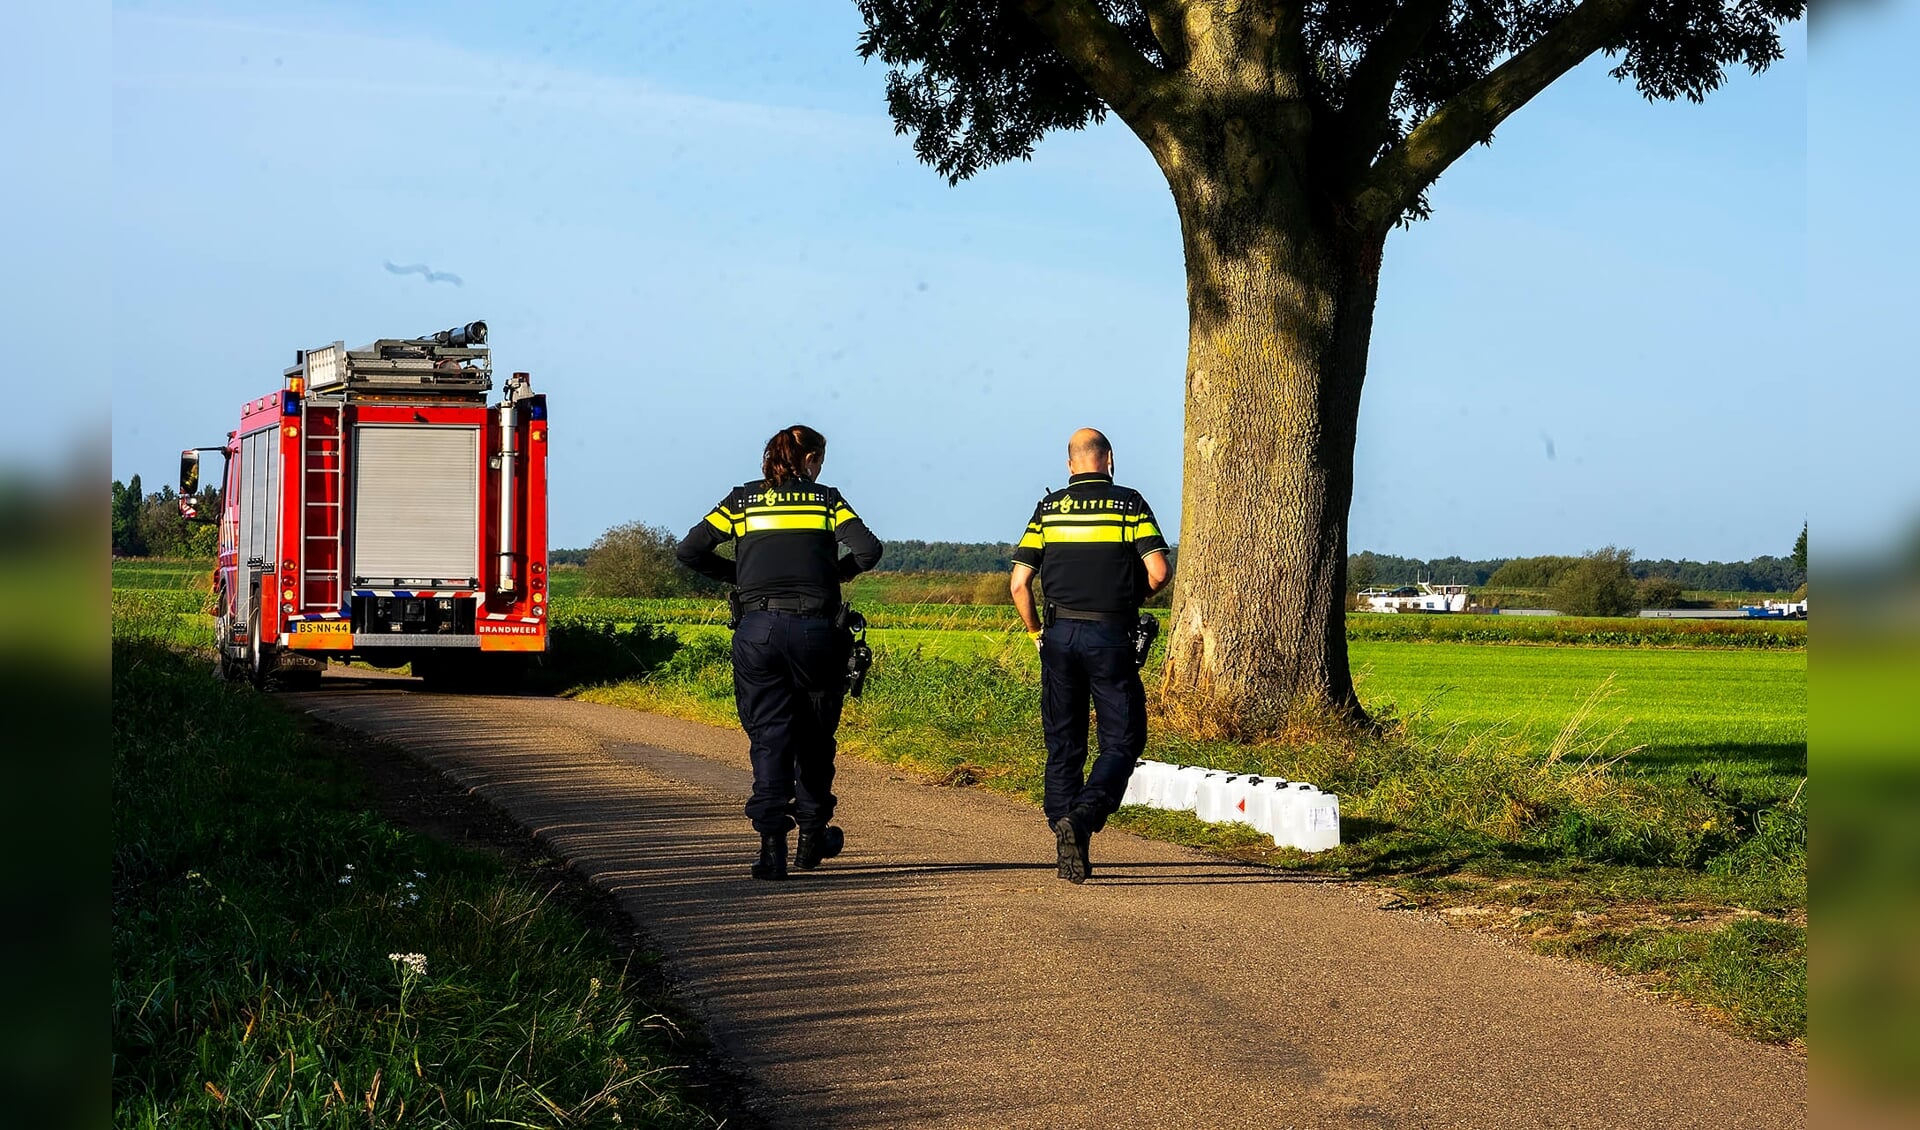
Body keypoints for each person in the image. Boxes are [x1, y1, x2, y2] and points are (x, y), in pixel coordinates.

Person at [676, 425, 883, 880]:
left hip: (759, 631)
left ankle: (771, 851)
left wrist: (740, 576)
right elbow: (869, 550)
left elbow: (689, 551)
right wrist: (836, 574)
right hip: (817, 632)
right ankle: (811, 837)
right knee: (815, 737)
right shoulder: (827, 500)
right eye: (820, 460)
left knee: (770, 737)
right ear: (808, 460)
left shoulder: (742, 502)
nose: (821, 468)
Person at [1010, 428, 1171, 883]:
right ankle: (1082, 817)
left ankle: (1064, 830)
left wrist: (1036, 632)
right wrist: (1129, 599)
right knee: (1121, 740)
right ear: (1110, 460)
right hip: (1109, 633)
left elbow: (1019, 584)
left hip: (1058, 636)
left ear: (1070, 466)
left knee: (1064, 741)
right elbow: (1159, 571)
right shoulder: (1129, 504)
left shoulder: (1048, 509)